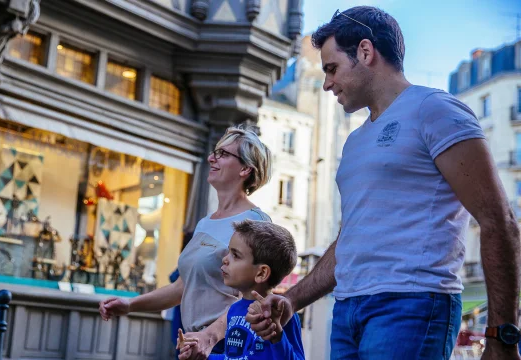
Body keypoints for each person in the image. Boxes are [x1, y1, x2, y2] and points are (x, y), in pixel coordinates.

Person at [241, 6, 520, 360]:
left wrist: (501, 335)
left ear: (365, 52)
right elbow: (350, 242)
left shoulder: (435, 109)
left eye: (332, 68)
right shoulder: (356, 141)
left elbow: (500, 221)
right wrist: (292, 299)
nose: (327, 82)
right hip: (347, 312)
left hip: (412, 305)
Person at [98, 124, 273, 356]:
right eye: (214, 152)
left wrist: (209, 337)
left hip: (228, 345)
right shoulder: (205, 223)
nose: (212, 158)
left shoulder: (256, 222)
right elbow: (181, 287)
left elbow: (254, 298)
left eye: (223, 154)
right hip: (194, 343)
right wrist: (130, 304)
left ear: (245, 170)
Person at [180, 219, 304, 360]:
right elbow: (233, 357)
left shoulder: (281, 313)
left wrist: (277, 333)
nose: (225, 259)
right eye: (228, 252)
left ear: (261, 273)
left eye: (236, 255)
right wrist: (200, 356)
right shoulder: (234, 310)